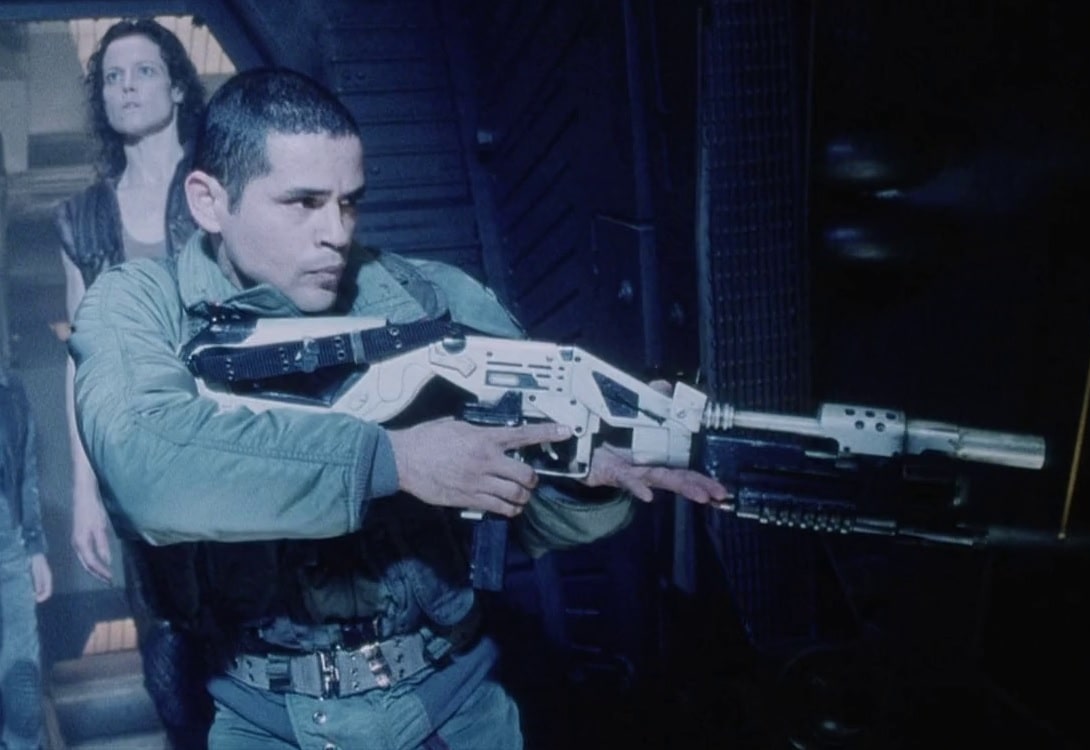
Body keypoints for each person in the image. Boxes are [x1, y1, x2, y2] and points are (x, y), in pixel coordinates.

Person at [68, 67, 729, 750]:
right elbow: (146, 462)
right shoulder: (142, 307)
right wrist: (395, 460)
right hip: (268, 721)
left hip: (457, 710)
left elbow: (526, 521)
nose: (336, 232)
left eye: (349, 203)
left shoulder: (431, 299)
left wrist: (579, 476)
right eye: (303, 202)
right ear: (210, 202)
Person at [53, 18, 214, 749]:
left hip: (236, 440)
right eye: (112, 77)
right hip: (141, 468)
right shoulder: (80, 217)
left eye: (143, 71)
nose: (126, 87)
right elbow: (83, 360)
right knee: (172, 674)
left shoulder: (222, 183)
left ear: (177, 85)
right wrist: (85, 491)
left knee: (263, 635)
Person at [0, 365, 53, 750]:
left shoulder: (10, 388)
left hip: (9, 542)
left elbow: (26, 470)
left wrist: (34, 548)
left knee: (23, 690)